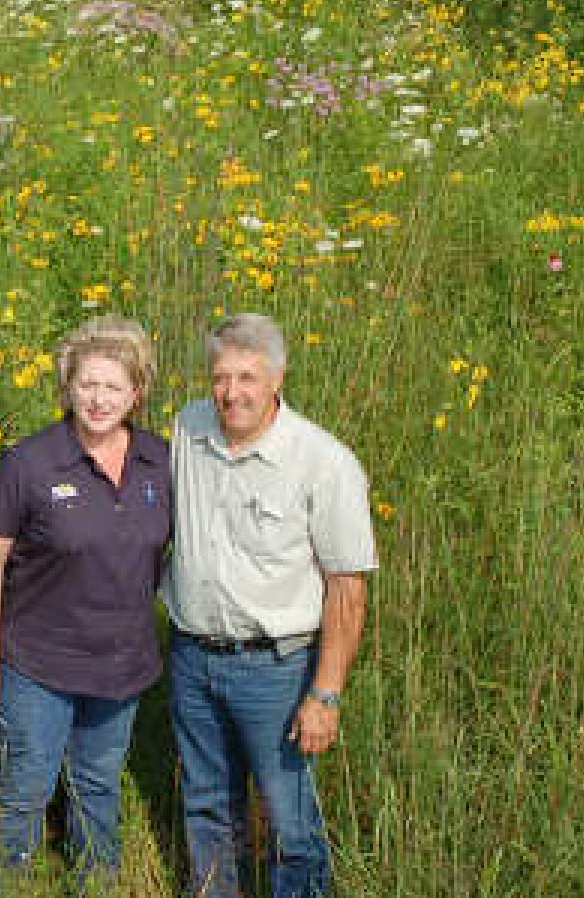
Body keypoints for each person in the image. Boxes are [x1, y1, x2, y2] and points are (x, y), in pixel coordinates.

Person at [162, 313, 377, 898]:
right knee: (205, 806)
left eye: (247, 377)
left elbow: (346, 589)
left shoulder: (324, 462)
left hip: (276, 671)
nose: (232, 392)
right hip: (191, 657)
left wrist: (324, 695)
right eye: (220, 377)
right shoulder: (189, 428)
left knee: (290, 820)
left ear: (277, 378)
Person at [0, 314, 175, 890]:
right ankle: (6, 885)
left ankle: (93, 885)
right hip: (38, 664)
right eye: (88, 384)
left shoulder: (162, 461)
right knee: (24, 787)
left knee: (98, 786)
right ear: (68, 387)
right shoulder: (28, 464)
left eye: (113, 387)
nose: (99, 399)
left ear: (137, 392)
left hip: (122, 666)